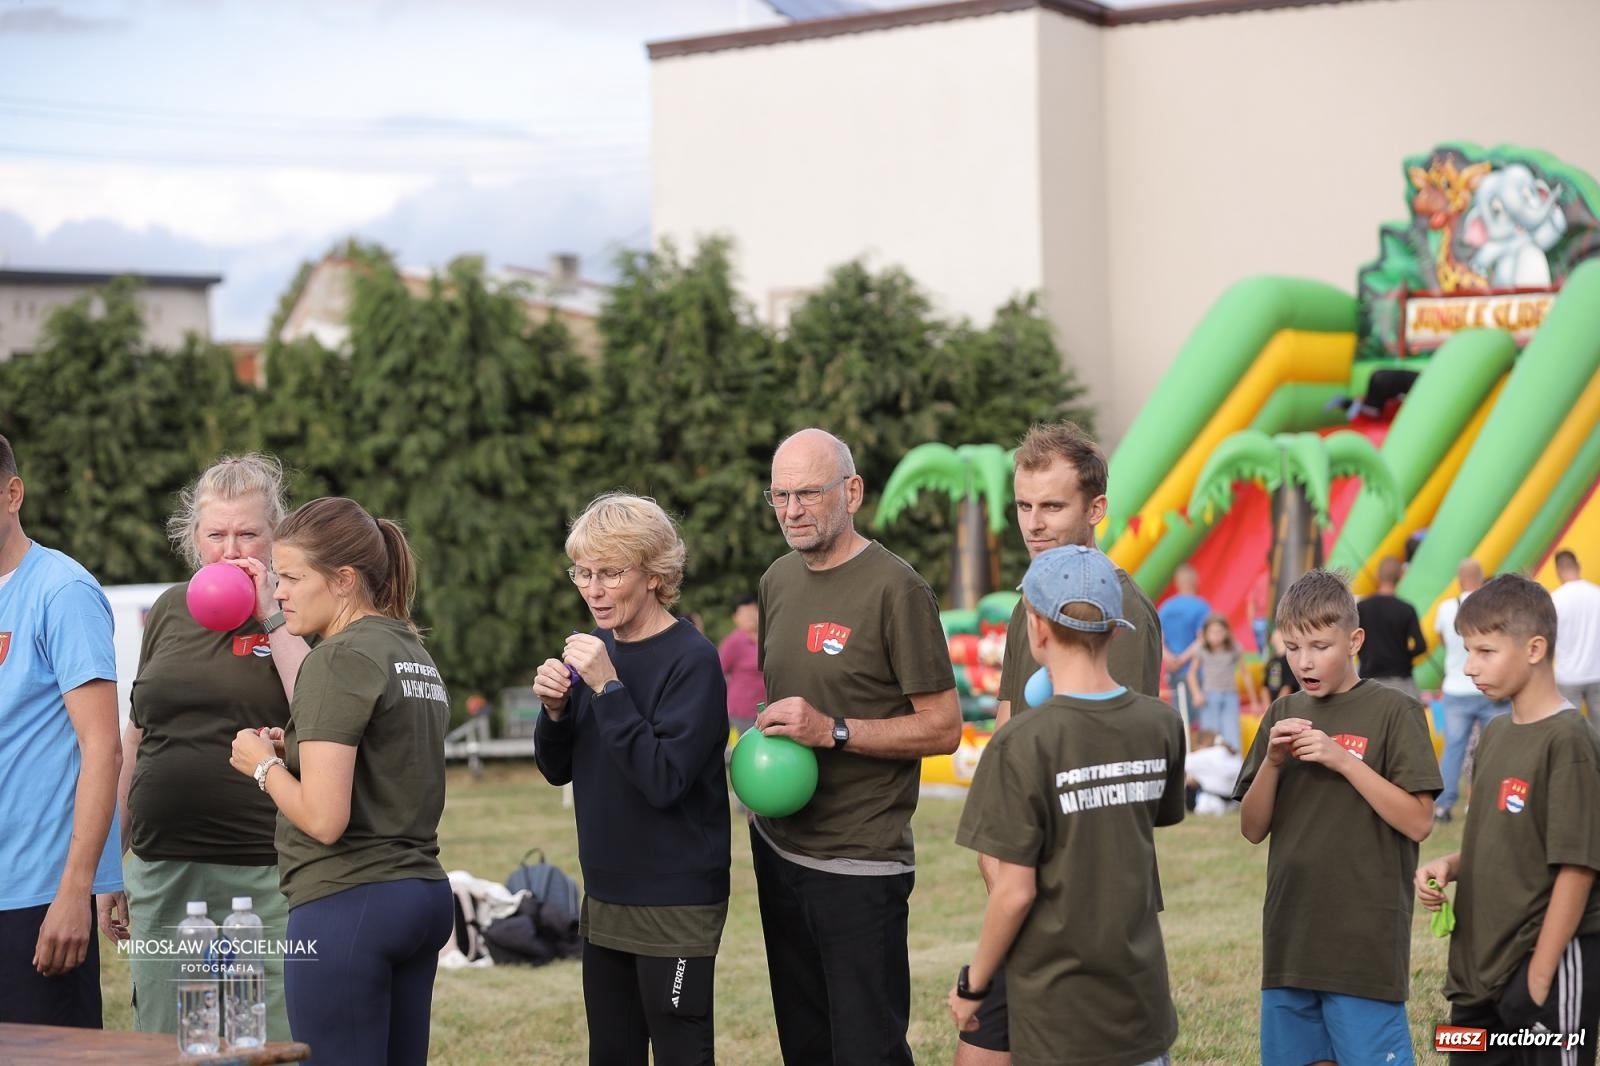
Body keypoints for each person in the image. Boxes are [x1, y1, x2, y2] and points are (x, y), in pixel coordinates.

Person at [751, 428, 960, 1066]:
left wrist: (835, 730)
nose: (792, 510)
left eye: (808, 493)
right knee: (805, 1047)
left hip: (859, 863)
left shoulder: (897, 590)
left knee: (868, 1051)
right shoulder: (777, 581)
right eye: (780, 495)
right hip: (779, 848)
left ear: (852, 491)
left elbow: (943, 726)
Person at [226, 497, 451, 1066]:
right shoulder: (408, 648)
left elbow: (325, 820)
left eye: (293, 578)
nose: (277, 593)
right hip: (418, 896)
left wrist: (262, 764)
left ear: (344, 579)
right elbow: (385, 758)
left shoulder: (336, 658)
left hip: (349, 903)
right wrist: (295, 747)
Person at [968, 420, 1164, 1066]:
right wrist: (998, 861)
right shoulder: (1034, 601)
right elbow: (1003, 733)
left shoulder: (1116, 617)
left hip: (1078, 913)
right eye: (1024, 505)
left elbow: (1112, 769)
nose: (1034, 523)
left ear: (1096, 510)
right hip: (1019, 887)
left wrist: (1017, 876)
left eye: (1052, 506)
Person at [949, 545, 1185, 1066]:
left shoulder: (1019, 743)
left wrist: (974, 983)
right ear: (1117, 630)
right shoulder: (1161, 725)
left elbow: (1012, 892)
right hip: (1140, 999)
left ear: (1036, 629)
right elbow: (1152, 819)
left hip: (1060, 1013)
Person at [103, 454, 308, 1040]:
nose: (230, 548)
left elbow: (317, 709)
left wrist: (271, 609)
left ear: (276, 536)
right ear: (194, 538)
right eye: (215, 534)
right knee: (167, 1039)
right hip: (163, 863)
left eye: (248, 533)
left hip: (264, 867)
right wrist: (109, 866)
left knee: (261, 1037)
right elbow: (137, 737)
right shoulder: (170, 609)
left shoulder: (296, 609)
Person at [532, 492, 731, 1066]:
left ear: (654, 574)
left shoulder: (691, 659)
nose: (593, 589)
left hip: (675, 899)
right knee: (611, 1053)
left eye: (610, 573)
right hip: (607, 893)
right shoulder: (595, 651)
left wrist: (608, 690)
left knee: (680, 1052)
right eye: (583, 573)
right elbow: (556, 769)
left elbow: (665, 779)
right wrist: (554, 713)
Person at [1234, 569, 1441, 1066]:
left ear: (1355, 641)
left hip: (1361, 944)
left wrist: (1343, 760)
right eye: (1292, 646)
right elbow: (1251, 828)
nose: (1304, 661)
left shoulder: (1396, 710)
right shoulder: (1282, 710)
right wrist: (1273, 761)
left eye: (1320, 646)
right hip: (1290, 940)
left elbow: (1419, 822)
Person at [1418, 574, 1600, 1064]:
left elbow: (1578, 866)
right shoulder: (1495, 733)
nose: (1470, 667)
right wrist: (1450, 866)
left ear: (1535, 648)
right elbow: (1506, 836)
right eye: (1466, 651)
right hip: (1476, 976)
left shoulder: (1570, 741)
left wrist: (1539, 979)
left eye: (1485, 651)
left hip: (1542, 970)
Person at [0, 433, 122, 1028]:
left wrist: (77, 890)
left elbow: (103, 749)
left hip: (35, 898)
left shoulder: (63, 592)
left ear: (12, 494)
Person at [1431, 558, 1509, 824]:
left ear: (1460, 579)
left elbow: (1443, 639)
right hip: (1490, 688)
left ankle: (1443, 806)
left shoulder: (1445, 608)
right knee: (1496, 748)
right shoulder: (1494, 608)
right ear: (1481, 576)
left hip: (1456, 686)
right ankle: (1492, 802)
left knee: (1454, 748)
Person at [1186, 613, 1260, 753]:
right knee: (1210, 734)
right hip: (1209, 697)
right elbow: (1191, 674)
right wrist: (1197, 694)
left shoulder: (1234, 648)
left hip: (1229, 696)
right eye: (1212, 632)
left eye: (1220, 631)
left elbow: (1245, 674)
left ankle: (1234, 769)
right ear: (1205, 634)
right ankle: (1211, 768)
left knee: (1232, 733)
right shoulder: (1202, 650)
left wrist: (1254, 701)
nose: (1216, 635)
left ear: (1226, 632)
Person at [1356, 556, 1427, 698]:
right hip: (1401, 678)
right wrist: (1404, 657)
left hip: (1369, 677)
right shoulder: (1407, 609)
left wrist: (1363, 655)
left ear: (1378, 576)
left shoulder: (1362, 607)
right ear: (1400, 576)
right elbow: (1420, 645)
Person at [1552, 550, 1600, 724]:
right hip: (1597, 672)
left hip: (1568, 675)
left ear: (1558, 570)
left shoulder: (1555, 600)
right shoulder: (1597, 594)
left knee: (1569, 730)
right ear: (1578, 565)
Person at [1157, 564, 1210, 714]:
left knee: (1179, 711)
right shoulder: (1201, 607)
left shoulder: (1166, 607)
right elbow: (1203, 638)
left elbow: (1158, 637)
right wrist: (1182, 659)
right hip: (1194, 669)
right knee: (1197, 716)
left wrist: (1169, 658)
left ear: (1177, 583)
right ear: (1195, 581)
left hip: (1172, 669)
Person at [719, 594, 764, 733]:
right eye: (744, 613)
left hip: (767, 708)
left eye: (753, 611)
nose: (750, 617)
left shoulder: (768, 638)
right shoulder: (733, 642)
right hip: (741, 712)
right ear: (735, 618)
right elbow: (717, 671)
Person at [1186, 729, 1243, 815]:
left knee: (1188, 782)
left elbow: (1180, 763)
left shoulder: (1204, 755)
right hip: (1233, 804)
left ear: (1202, 743)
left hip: (1211, 804)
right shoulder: (1235, 754)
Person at [1262, 629, 1300, 702]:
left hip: (1287, 704)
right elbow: (1265, 686)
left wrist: (1277, 707)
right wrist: (1268, 707)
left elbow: (1288, 687)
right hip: (1275, 706)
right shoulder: (1271, 661)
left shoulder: (1289, 659)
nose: (1276, 633)